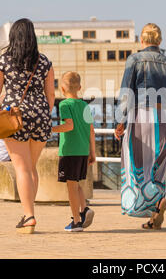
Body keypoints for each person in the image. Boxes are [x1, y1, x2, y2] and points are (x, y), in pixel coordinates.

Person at [0, 18, 55, 234]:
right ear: (32, 36)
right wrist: (44, 112)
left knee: (21, 168)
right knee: (32, 167)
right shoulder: (44, 62)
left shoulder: (4, 60)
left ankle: (29, 215)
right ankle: (28, 212)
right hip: (41, 115)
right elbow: (50, 94)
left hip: (15, 116)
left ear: (13, 36)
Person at [114, 23, 166, 230]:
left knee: (136, 164)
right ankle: (156, 209)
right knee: (157, 166)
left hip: (141, 114)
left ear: (141, 41)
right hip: (165, 117)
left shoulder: (134, 59)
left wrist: (120, 119)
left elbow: (127, 91)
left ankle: (144, 204)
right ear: (159, 41)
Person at [52, 72, 96, 232]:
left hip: (69, 150)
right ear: (80, 87)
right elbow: (91, 130)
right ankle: (84, 209)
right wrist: (93, 153)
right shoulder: (84, 105)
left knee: (71, 187)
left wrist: (50, 129)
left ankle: (76, 221)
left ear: (62, 88)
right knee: (76, 183)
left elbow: (68, 126)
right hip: (83, 150)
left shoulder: (64, 105)